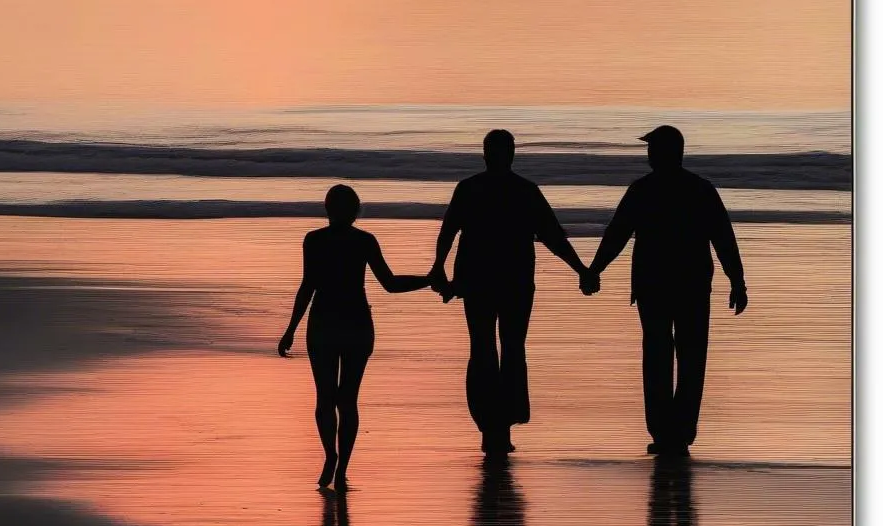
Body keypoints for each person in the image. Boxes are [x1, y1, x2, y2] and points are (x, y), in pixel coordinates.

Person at [582, 125, 749, 456]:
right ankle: (679, 432)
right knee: (690, 356)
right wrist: (737, 281)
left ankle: (663, 432)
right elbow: (723, 239)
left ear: (665, 153)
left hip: (655, 285)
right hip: (691, 285)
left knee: (658, 355)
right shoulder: (700, 189)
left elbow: (617, 234)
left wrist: (594, 270)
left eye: (652, 149)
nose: (648, 154)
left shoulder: (643, 190)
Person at [428, 129, 595, 459]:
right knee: (512, 347)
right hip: (515, 281)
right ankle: (502, 422)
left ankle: (490, 425)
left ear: (486, 155)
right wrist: (582, 270)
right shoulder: (525, 191)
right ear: (512, 154)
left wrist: (439, 268)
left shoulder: (470, 189)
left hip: (476, 279)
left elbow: (448, 231)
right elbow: (552, 237)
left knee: (484, 347)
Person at [278, 184, 433, 490]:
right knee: (347, 400)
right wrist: (429, 280)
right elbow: (389, 283)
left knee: (325, 397)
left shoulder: (314, 240)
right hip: (357, 323)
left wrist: (290, 329)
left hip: (322, 322)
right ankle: (342, 469)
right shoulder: (364, 241)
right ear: (356, 210)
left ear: (327, 208)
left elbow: (307, 287)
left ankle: (330, 457)